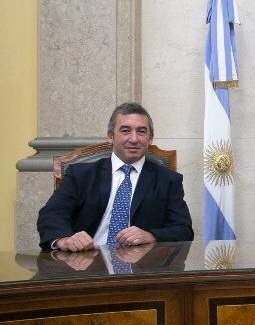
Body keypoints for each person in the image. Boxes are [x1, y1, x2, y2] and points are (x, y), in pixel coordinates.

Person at [37, 102, 194, 252]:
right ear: (111, 136)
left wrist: (151, 236)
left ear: (150, 138)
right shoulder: (80, 174)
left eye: (141, 131)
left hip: (142, 268)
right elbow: (51, 214)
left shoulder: (168, 180)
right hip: (87, 262)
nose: (134, 139)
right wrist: (65, 239)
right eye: (125, 131)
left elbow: (183, 230)